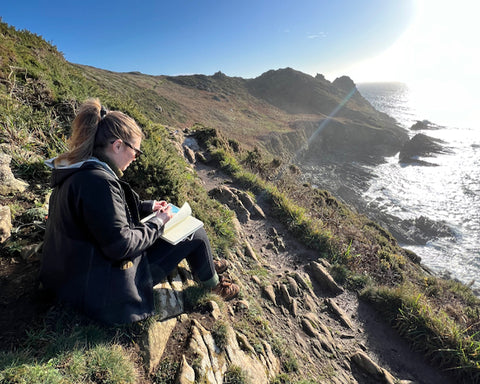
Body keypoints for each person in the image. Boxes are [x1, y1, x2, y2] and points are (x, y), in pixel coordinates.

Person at [40, 98, 239, 325]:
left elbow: (103, 213)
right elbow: (121, 246)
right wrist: (159, 221)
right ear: (117, 145)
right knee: (196, 232)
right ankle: (213, 285)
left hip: (72, 275)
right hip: (100, 291)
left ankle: (206, 265)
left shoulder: (81, 169)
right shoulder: (98, 182)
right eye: (136, 152)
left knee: (184, 233)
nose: (136, 158)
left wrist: (148, 207)